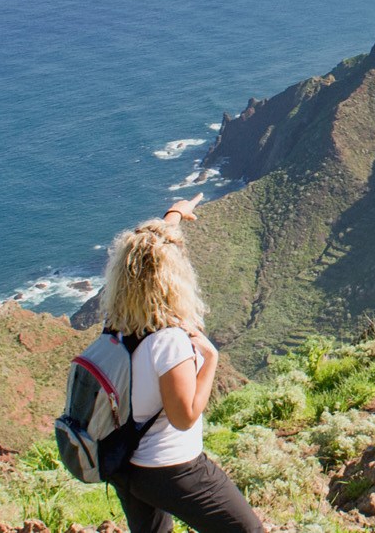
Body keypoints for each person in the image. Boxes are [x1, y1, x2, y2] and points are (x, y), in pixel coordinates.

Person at [100, 192, 264, 533]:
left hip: (124, 465)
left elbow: (149, 251)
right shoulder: (170, 341)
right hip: (171, 467)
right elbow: (184, 416)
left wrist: (174, 214)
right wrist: (210, 360)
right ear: (173, 279)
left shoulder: (117, 327)